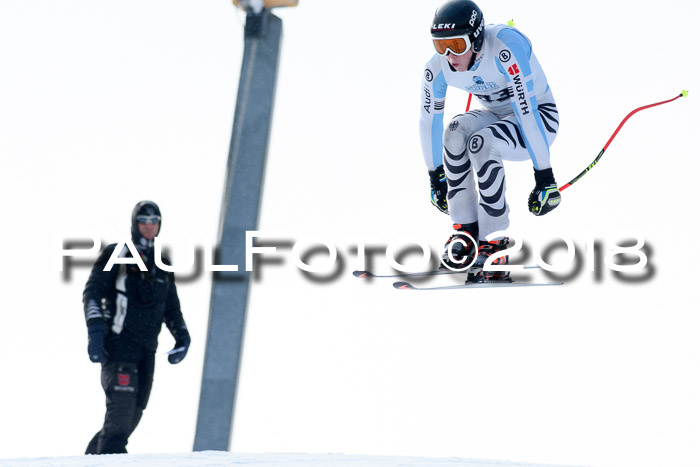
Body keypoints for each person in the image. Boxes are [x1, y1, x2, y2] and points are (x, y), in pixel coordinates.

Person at [420, 0, 561, 279]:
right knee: (455, 131)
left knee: (482, 141)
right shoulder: (437, 68)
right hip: (496, 117)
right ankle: (467, 233)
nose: (450, 55)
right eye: (440, 46)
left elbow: (526, 113)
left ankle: (494, 239)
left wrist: (545, 176)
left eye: (457, 46)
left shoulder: (505, 48)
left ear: (476, 37)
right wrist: (435, 176)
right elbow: (429, 123)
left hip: (539, 120)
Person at [83, 200, 191, 454]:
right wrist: (96, 335)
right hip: (119, 347)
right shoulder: (116, 254)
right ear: (135, 223)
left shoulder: (161, 263)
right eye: (144, 221)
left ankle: (90, 460)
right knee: (120, 414)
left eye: (154, 222)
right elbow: (92, 294)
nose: (149, 226)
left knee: (131, 416)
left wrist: (183, 339)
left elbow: (171, 307)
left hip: (146, 351)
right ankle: (111, 459)